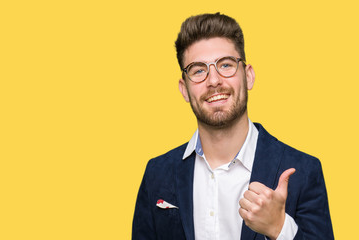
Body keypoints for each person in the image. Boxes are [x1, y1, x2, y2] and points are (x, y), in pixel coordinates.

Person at [132, 13, 333, 240]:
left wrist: (279, 228)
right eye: (198, 70)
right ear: (184, 89)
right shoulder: (157, 174)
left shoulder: (303, 171)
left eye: (225, 65)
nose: (214, 80)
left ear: (248, 76)